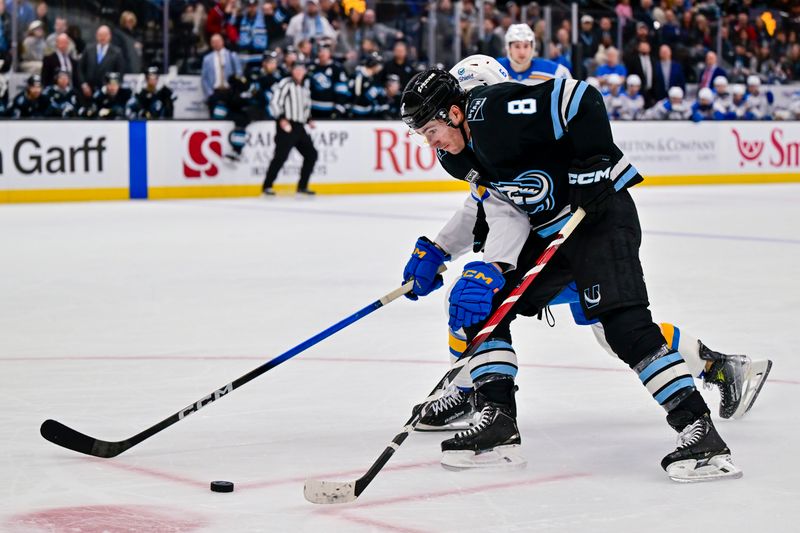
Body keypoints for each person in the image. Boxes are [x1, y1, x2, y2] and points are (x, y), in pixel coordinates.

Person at [399, 63, 744, 481]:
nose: (429, 143)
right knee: (479, 303)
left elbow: (581, 99)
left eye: (430, 131)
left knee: (622, 328)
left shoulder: (493, 109)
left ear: (454, 114)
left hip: (599, 217)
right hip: (553, 234)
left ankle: (699, 430)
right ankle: (497, 420)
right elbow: (505, 208)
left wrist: (594, 163)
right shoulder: (456, 158)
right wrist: (483, 264)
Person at [262, 60, 317, 196]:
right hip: (286, 125)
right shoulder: (285, 83)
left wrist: (308, 119)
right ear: (292, 71)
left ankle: (302, 186)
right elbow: (275, 102)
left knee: (311, 154)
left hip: (299, 126)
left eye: (301, 69)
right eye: (296, 69)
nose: (299, 72)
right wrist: (281, 118)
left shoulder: (304, 87)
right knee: (280, 156)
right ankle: (267, 185)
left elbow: (305, 106)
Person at [202, 33, 248, 160]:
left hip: (230, 93)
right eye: (213, 41)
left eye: (218, 41)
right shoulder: (207, 59)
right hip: (216, 93)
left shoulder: (231, 56)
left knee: (234, 117)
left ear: (222, 41)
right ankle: (214, 147)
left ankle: (233, 146)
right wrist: (210, 94)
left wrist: (236, 90)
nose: (216, 43)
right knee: (217, 118)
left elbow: (238, 73)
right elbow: (204, 78)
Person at [496, 24, 570, 85]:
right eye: (517, 46)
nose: (522, 52)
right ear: (509, 48)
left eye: (526, 46)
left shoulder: (554, 71)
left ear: (532, 47)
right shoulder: (494, 68)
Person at [79, 25, 125, 100]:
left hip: (107, 92)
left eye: (105, 35)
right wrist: (83, 84)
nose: (102, 37)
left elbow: (120, 72)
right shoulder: (88, 49)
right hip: (88, 90)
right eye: (100, 35)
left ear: (109, 36)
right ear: (96, 36)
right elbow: (80, 68)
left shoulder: (117, 52)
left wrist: (113, 87)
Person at [308, 40, 349, 118]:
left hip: (330, 109)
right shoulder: (311, 67)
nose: (322, 54)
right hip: (312, 110)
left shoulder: (337, 69)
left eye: (325, 52)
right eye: (320, 51)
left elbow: (342, 91)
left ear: (330, 53)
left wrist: (338, 109)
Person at [348, 51, 387, 119]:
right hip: (357, 114)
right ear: (373, 64)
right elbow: (356, 97)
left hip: (369, 113)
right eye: (379, 64)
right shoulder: (358, 76)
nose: (380, 67)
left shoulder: (372, 77)